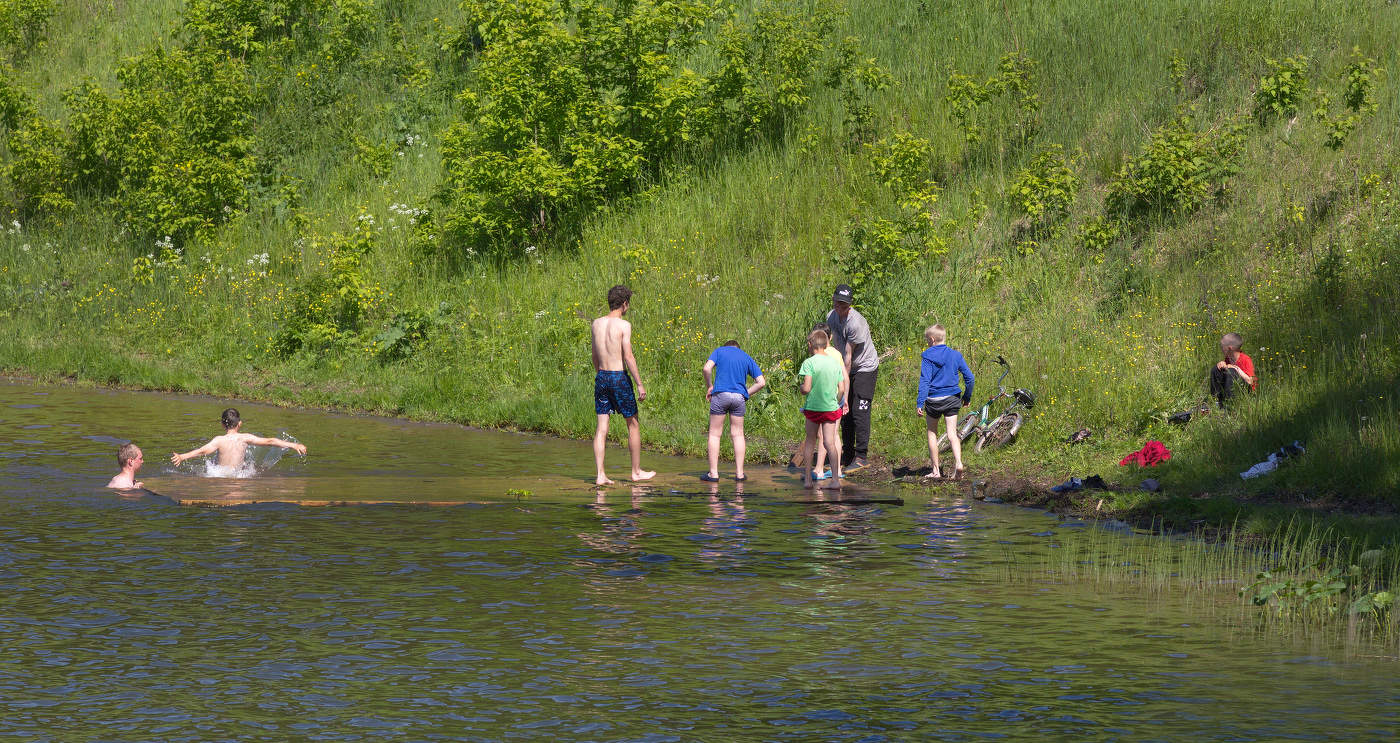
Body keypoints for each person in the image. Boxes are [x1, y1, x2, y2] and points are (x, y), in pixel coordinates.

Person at [591, 285, 656, 486]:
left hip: (601, 376)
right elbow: (628, 356)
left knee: (602, 427)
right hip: (619, 377)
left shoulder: (596, 323)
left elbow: (594, 355)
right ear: (625, 304)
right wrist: (639, 384)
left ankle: (600, 474)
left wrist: (600, 375)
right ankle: (636, 472)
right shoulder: (624, 326)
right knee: (633, 424)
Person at [826, 284, 878, 471]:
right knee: (843, 411)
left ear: (850, 305)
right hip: (844, 367)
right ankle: (846, 454)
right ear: (833, 301)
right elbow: (831, 347)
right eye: (838, 304)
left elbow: (848, 357)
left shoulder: (856, 323)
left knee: (859, 410)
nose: (841, 308)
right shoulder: (831, 317)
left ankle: (861, 456)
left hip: (864, 367)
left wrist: (843, 384)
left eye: (845, 305)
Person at [701, 340, 767, 482]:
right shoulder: (745, 356)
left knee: (714, 434)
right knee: (737, 434)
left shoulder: (719, 351)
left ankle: (713, 474)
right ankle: (739, 474)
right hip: (738, 398)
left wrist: (710, 386)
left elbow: (706, 369)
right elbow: (761, 382)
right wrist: (745, 393)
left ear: (726, 347)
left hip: (720, 395)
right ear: (738, 348)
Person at [915, 324, 974, 481]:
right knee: (952, 434)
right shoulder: (955, 355)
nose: (928, 343)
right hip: (952, 399)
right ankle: (959, 464)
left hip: (934, 400)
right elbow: (970, 378)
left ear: (932, 339)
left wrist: (920, 402)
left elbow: (925, 381)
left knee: (932, 432)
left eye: (928, 340)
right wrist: (966, 397)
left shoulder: (927, 356)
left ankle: (935, 470)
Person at [788, 322, 848, 473]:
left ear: (810, 344)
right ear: (828, 340)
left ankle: (810, 477)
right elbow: (842, 387)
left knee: (810, 442)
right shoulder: (835, 360)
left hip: (814, 407)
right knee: (830, 442)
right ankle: (835, 478)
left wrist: (801, 388)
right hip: (831, 406)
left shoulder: (809, 362)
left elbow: (806, 388)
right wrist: (838, 400)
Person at [171, 408, 307, 474]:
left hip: (219, 477)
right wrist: (294, 445)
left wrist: (182, 457)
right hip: (239, 480)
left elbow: (202, 451)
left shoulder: (219, 440)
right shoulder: (245, 438)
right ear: (239, 424)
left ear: (222, 425)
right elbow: (270, 441)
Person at [1211, 332, 1257, 407]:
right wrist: (1223, 365)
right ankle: (1216, 400)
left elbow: (1250, 381)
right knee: (1216, 369)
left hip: (1246, 391)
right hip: (1233, 386)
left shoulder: (1245, 359)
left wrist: (1235, 368)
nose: (1221, 349)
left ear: (1230, 348)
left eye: (1222, 346)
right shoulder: (1228, 358)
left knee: (1232, 371)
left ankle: (1230, 405)